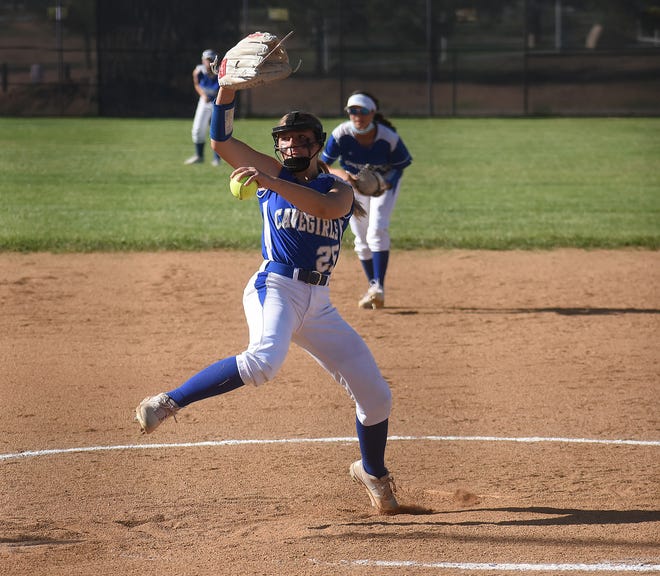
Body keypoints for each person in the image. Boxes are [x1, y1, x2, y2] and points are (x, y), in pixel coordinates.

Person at [135, 85, 399, 514]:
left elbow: (325, 209)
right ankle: (168, 402)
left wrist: (269, 179)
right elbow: (221, 141)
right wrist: (225, 92)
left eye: (302, 139)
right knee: (263, 361)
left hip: (319, 302)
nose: (292, 144)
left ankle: (372, 471)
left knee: (377, 397)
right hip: (275, 286)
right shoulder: (270, 172)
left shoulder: (336, 188)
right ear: (277, 145)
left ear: (317, 146)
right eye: (285, 139)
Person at [321, 91, 412, 309]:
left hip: (382, 186)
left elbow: (401, 165)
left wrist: (386, 182)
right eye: (352, 111)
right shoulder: (341, 133)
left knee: (377, 230)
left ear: (373, 113)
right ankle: (373, 286)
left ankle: (379, 287)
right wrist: (344, 176)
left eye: (362, 111)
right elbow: (323, 165)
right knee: (361, 238)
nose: (357, 116)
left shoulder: (387, 137)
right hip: (353, 186)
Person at [184, 49, 222, 166]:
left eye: (211, 60)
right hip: (204, 102)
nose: (209, 63)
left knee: (216, 130)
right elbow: (196, 84)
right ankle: (199, 155)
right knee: (197, 129)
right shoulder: (198, 71)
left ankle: (217, 159)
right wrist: (203, 94)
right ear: (203, 61)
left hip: (217, 102)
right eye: (207, 60)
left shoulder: (221, 72)